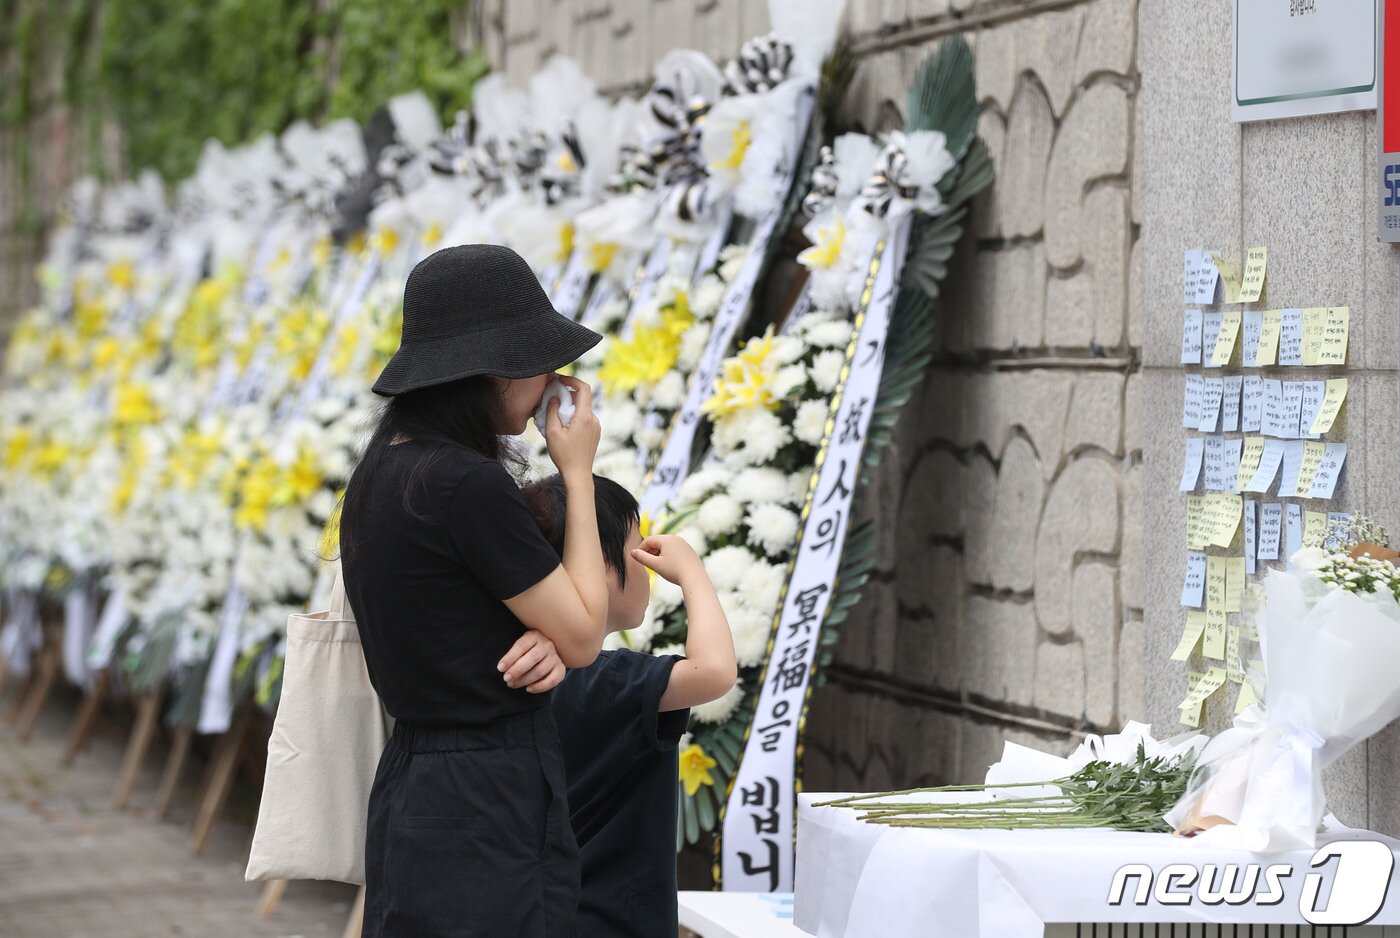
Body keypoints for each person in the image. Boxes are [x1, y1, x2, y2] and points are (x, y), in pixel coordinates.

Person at [338, 243, 609, 937]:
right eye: (536, 358)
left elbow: (456, 615)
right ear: (492, 369)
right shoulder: (464, 483)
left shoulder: (383, 472)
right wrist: (575, 473)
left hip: (415, 782)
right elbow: (583, 633)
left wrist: (544, 640)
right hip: (486, 791)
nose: (549, 375)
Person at [521, 473, 738, 938]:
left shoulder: (516, 670)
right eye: (637, 549)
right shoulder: (607, 681)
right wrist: (693, 575)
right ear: (594, 566)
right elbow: (715, 670)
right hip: (615, 919)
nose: (648, 567)